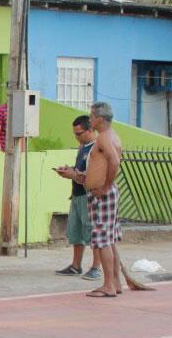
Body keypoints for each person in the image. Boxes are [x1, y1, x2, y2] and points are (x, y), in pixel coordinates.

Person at [84, 100, 126, 298]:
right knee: (109, 239)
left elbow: (115, 162)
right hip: (102, 192)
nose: (90, 119)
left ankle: (109, 284)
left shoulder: (104, 138)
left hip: (104, 193)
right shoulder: (111, 136)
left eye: (91, 116)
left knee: (102, 239)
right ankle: (115, 282)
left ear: (99, 119)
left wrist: (106, 186)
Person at [53, 116, 102, 280]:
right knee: (75, 232)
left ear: (90, 130)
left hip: (89, 196)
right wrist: (70, 171)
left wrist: (72, 175)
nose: (77, 137)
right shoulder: (83, 147)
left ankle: (96, 267)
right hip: (77, 194)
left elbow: (92, 176)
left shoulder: (97, 149)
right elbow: (79, 170)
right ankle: (76, 265)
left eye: (79, 133)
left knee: (92, 233)